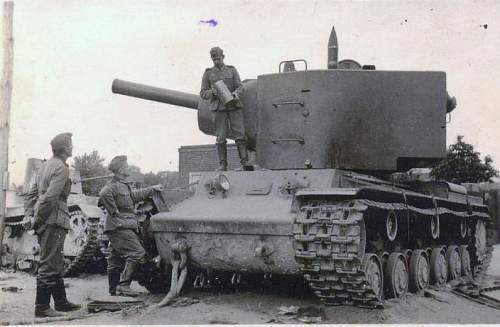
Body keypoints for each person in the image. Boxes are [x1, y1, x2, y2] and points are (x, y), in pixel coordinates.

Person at [24, 133, 81, 318]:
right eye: (70, 145)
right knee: (49, 261)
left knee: (55, 259)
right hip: (53, 218)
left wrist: (29, 214)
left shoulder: (44, 166)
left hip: (47, 218)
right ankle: (41, 307)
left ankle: (61, 302)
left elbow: (31, 194)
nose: (72, 148)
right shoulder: (62, 168)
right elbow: (50, 197)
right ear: (65, 149)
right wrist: (38, 218)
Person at [99, 155, 164, 297]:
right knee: (137, 253)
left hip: (120, 227)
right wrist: (114, 212)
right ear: (121, 169)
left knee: (116, 259)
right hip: (119, 227)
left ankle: (113, 290)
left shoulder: (123, 185)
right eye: (127, 166)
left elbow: (134, 197)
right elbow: (103, 194)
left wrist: (152, 189)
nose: (128, 168)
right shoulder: (112, 186)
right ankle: (124, 285)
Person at [200, 46, 251, 171]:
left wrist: (235, 94)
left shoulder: (232, 70)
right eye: (214, 59)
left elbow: (240, 87)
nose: (216, 61)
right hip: (218, 108)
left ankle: (245, 162)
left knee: (239, 134)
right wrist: (213, 92)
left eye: (218, 58)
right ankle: (223, 164)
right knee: (220, 136)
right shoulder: (208, 73)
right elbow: (203, 93)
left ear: (223, 57)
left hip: (234, 105)